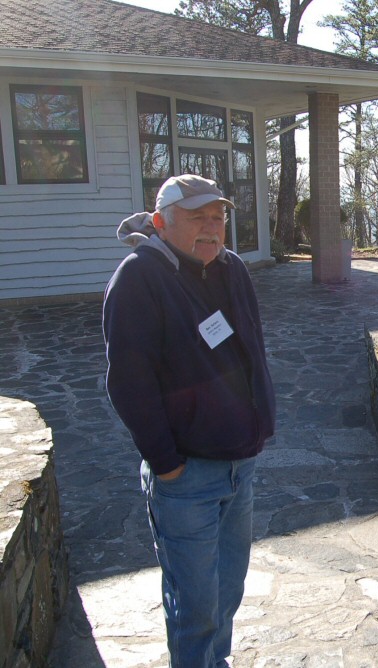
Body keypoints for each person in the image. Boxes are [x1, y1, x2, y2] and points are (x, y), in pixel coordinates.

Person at [103, 174, 275, 668]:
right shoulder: (138, 277)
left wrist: (257, 427)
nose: (211, 227)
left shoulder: (232, 268)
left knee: (227, 592)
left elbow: (250, 349)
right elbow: (129, 384)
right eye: (197, 216)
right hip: (186, 475)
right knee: (195, 605)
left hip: (238, 464)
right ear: (161, 223)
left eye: (217, 216)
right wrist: (166, 462)